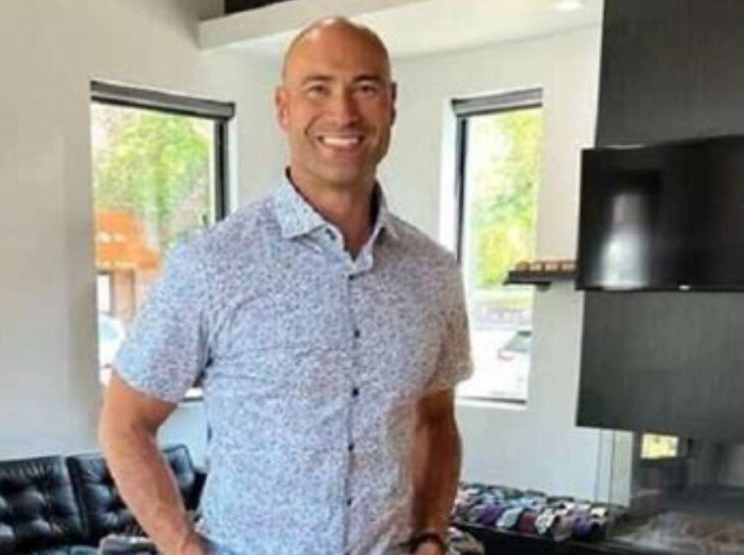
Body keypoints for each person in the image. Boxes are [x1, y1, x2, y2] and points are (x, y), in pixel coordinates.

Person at [98, 17, 473, 555]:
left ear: (391, 104)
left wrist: (432, 534)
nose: (343, 113)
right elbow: (124, 423)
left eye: (365, 88)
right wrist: (183, 547)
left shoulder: (433, 273)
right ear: (283, 107)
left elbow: (435, 421)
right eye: (318, 88)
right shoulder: (213, 264)